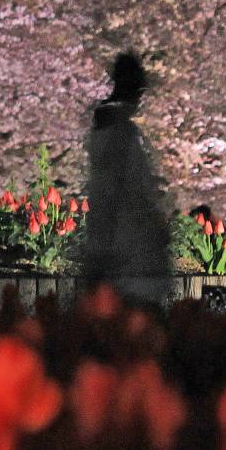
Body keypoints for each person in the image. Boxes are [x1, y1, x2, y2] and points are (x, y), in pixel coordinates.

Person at [82, 52, 171, 303]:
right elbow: (129, 186)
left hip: (111, 235)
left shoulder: (106, 129)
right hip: (128, 242)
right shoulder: (121, 132)